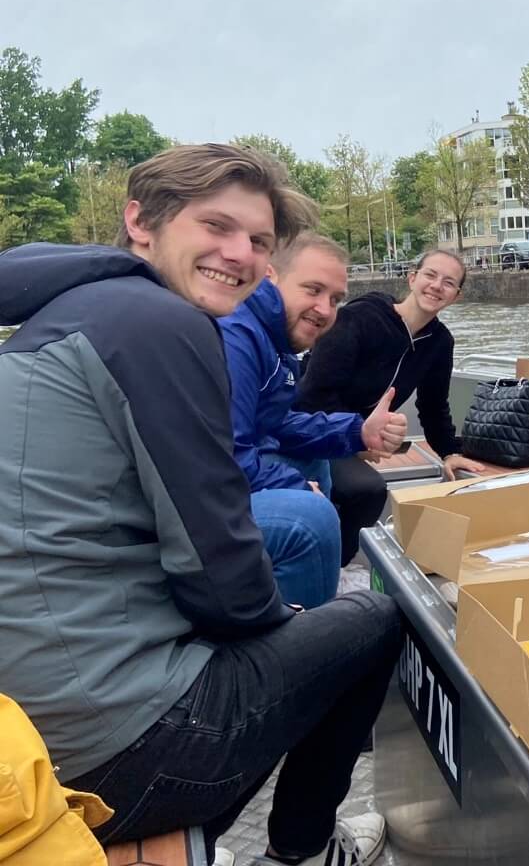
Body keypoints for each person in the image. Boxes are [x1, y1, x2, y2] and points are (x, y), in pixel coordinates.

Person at [0, 143, 402, 866]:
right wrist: (293, 628)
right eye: (215, 227)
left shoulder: (57, 317)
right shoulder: (161, 324)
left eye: (257, 241)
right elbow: (223, 577)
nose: (239, 254)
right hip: (109, 751)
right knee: (372, 621)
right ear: (141, 223)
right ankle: (303, 850)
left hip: (27, 722)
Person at [219, 232, 410, 586]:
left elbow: (276, 425)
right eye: (312, 289)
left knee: (315, 460)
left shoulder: (275, 338)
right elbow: (227, 457)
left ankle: (320, 578)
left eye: (336, 299)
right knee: (313, 516)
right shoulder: (238, 338)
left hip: (234, 469)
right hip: (200, 501)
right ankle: (302, 623)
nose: (325, 309)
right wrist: (300, 489)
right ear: (270, 275)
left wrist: (357, 431)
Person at [295, 248, 484, 558]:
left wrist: (450, 451)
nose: (437, 286)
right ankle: (323, 564)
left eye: (449, 283)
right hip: (312, 426)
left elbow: (434, 405)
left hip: (358, 436)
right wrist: (356, 436)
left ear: (456, 296)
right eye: (430, 275)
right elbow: (313, 394)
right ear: (412, 278)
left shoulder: (439, 343)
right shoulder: (360, 318)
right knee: (364, 489)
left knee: (367, 492)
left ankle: (337, 566)